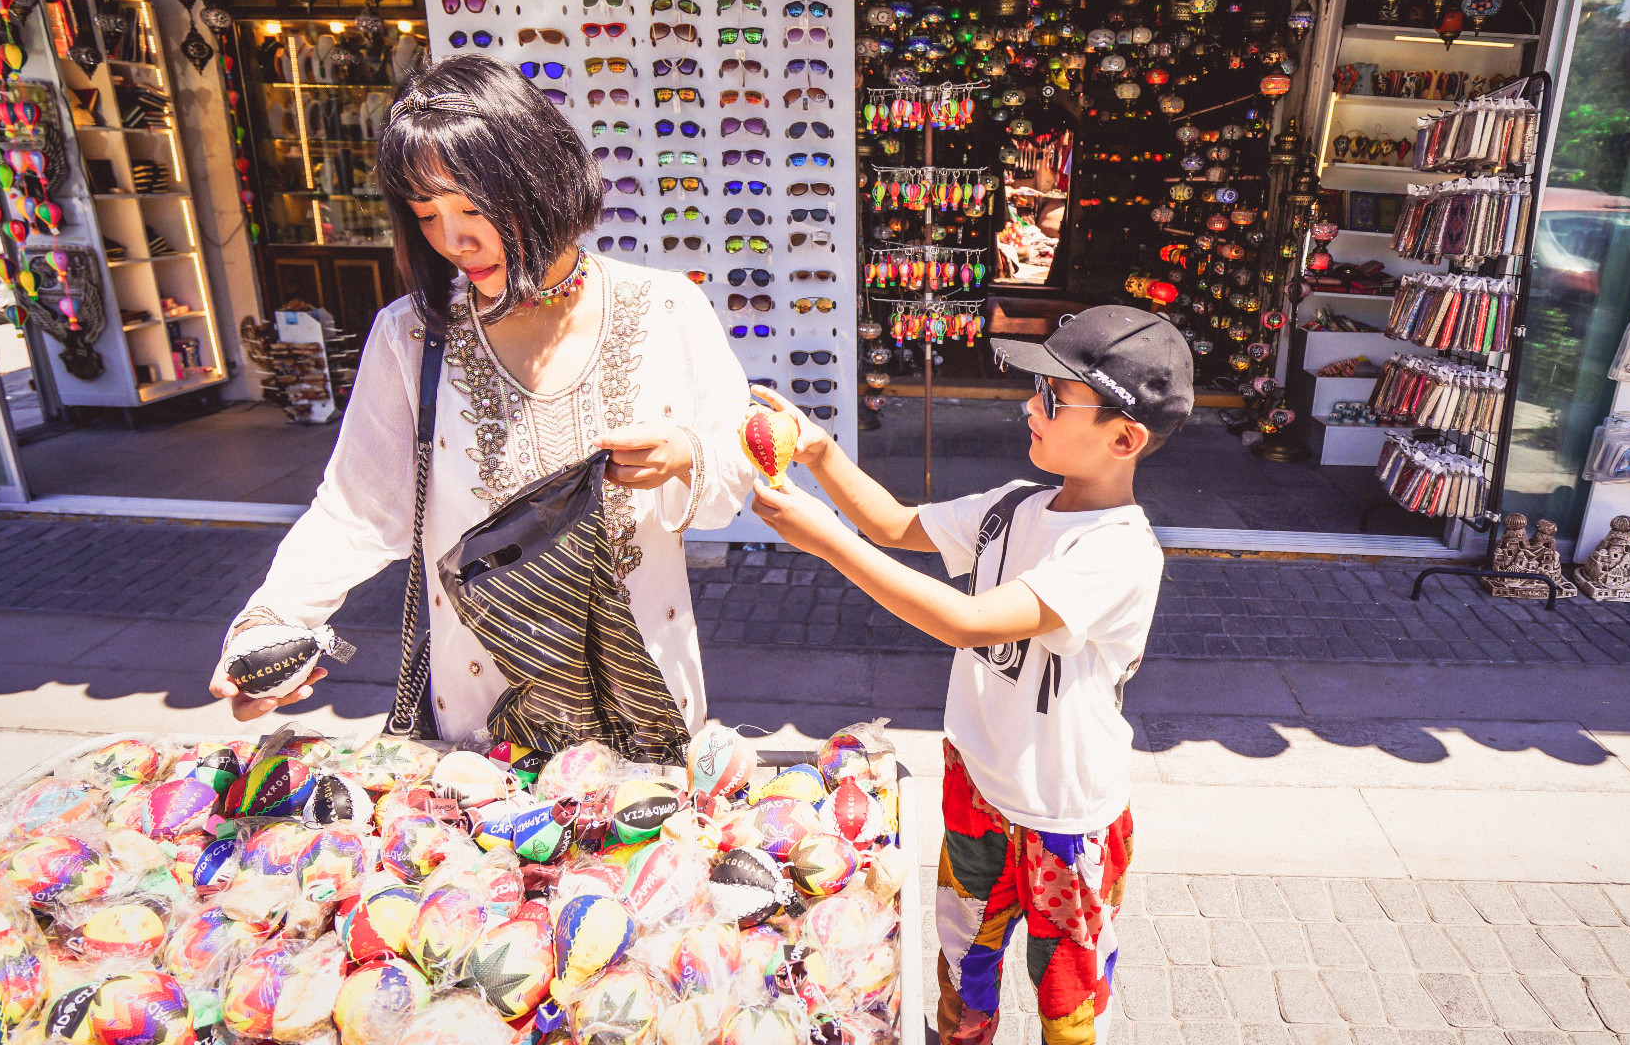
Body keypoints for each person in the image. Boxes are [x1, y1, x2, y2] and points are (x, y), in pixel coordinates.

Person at [211, 55, 755, 742]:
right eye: (426, 216)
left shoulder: (666, 308)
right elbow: (356, 507)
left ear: (541, 182)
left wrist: (687, 458)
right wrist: (272, 619)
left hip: (646, 699)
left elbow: (736, 472)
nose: (453, 240)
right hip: (482, 711)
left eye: (471, 209)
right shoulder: (411, 335)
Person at [749, 305, 1193, 1045]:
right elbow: (892, 523)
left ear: (1124, 438)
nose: (1030, 405)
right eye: (1036, 389)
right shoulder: (1009, 507)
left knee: (1070, 1006)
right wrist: (821, 454)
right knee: (961, 976)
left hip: (1067, 821)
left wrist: (825, 544)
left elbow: (968, 621)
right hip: (976, 788)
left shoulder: (1118, 551)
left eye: (1053, 397)